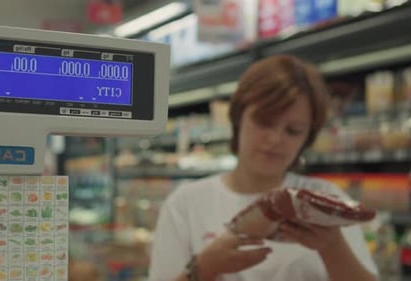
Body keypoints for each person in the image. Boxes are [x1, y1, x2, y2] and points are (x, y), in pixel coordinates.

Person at [148, 55, 378, 281]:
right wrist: (204, 267)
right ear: (238, 118)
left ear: (307, 138)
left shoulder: (326, 202)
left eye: (293, 130)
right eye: (263, 122)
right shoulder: (186, 204)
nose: (275, 139)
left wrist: (332, 247)